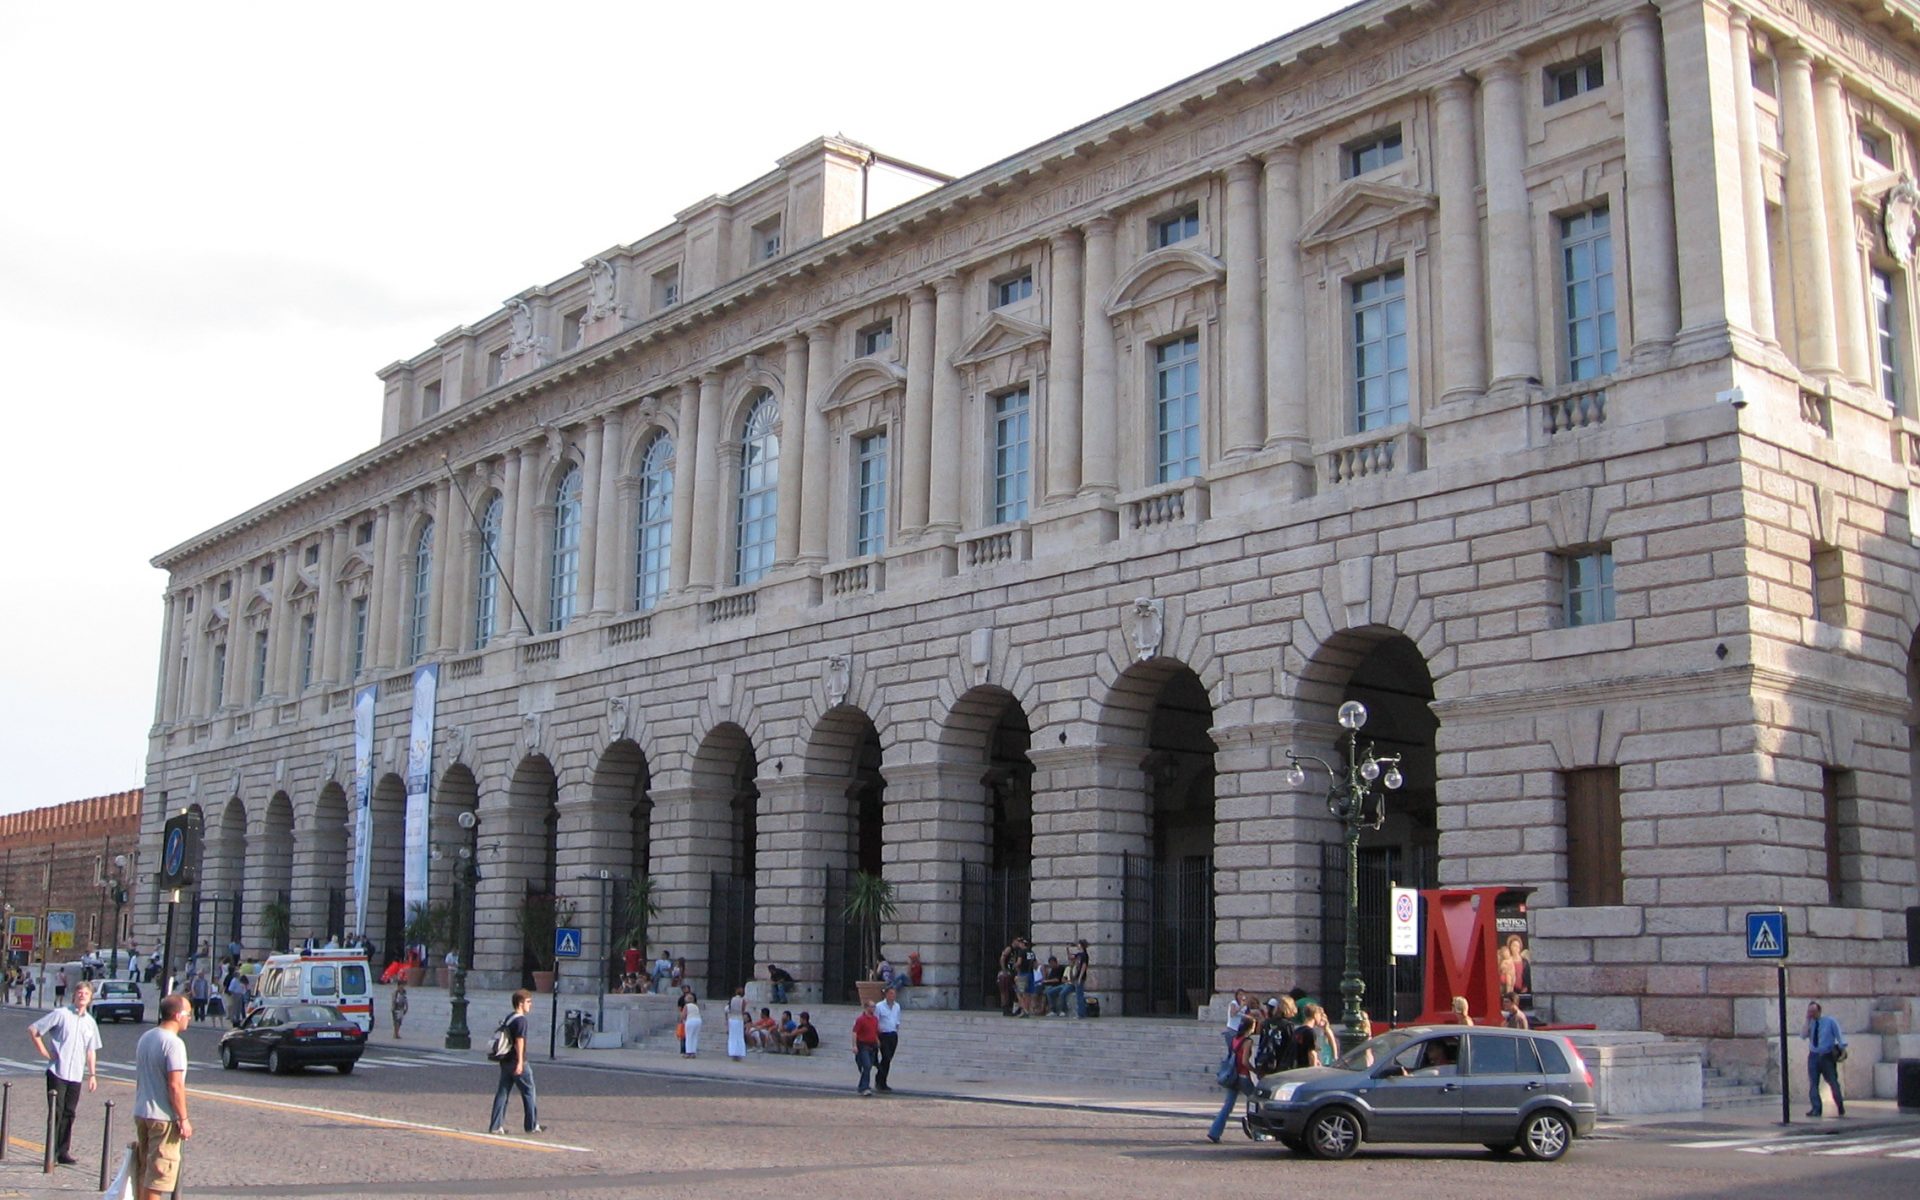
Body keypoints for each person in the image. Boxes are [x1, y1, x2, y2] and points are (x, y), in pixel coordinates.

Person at [29, 979, 102, 1166]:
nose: (82, 996)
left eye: (86, 994)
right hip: (57, 1072)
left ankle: (63, 1151)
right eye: (79, 993)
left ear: (90, 998)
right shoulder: (61, 1014)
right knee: (56, 1112)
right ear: (74, 995)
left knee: (69, 1113)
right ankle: (51, 1152)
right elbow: (34, 1029)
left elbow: (91, 1050)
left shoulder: (90, 1022)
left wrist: (92, 1075)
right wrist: (45, 1052)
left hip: (76, 1074)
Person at [132, 993, 193, 1200]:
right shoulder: (174, 1044)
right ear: (177, 1015)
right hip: (163, 1117)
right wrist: (183, 1119)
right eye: (188, 1014)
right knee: (158, 1177)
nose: (189, 1018)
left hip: (142, 1111)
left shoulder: (146, 1037)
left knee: (144, 1172)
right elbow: (175, 1085)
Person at [487, 989, 543, 1135]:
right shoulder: (521, 1020)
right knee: (529, 1091)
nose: (530, 1005)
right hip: (517, 1061)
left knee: (503, 1093)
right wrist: (520, 1062)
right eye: (528, 1002)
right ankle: (531, 1125)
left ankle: (495, 1126)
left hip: (505, 1060)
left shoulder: (510, 1017)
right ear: (520, 1003)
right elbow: (519, 1042)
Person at [1208, 1014, 1255, 1143]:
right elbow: (1245, 1062)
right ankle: (1257, 1131)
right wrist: (1255, 1070)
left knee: (1227, 1106)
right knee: (1255, 1101)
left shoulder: (1235, 1038)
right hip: (1243, 1075)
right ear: (1250, 1027)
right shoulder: (1248, 1041)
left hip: (1232, 1075)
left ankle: (1214, 1132)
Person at [1803, 1000, 1847, 1117]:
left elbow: (1839, 1036)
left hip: (1826, 1055)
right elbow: (1803, 1035)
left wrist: (1842, 1049)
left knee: (1832, 1082)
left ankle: (1840, 1105)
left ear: (1819, 1011)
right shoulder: (1810, 1023)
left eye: (1813, 1011)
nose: (1812, 1014)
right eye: (1810, 1011)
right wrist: (1807, 1020)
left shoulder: (1830, 1021)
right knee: (1813, 1083)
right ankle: (1816, 1108)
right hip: (1813, 1055)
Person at [874, 983, 903, 1092]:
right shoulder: (879, 1006)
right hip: (883, 1034)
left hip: (893, 1034)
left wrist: (896, 1029)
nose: (893, 996)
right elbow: (875, 1021)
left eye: (894, 994)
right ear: (886, 994)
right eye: (890, 993)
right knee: (885, 1057)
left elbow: (897, 1020)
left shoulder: (897, 1006)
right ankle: (879, 1080)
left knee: (888, 1059)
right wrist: (877, 1035)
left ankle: (883, 1081)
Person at [852, 999, 881, 1096]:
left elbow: (875, 1032)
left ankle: (862, 1085)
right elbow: (855, 1032)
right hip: (863, 1045)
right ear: (866, 1007)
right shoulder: (861, 1019)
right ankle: (865, 1087)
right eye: (871, 1007)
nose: (873, 1009)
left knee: (868, 1067)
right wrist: (854, 1046)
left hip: (872, 1046)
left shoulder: (875, 1019)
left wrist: (877, 1041)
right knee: (867, 1065)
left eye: (874, 1007)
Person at [725, 987, 749, 1061]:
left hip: (732, 1019)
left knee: (732, 1036)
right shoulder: (743, 1001)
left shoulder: (732, 999)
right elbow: (743, 1010)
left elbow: (728, 1009)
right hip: (739, 1019)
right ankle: (739, 1053)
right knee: (739, 1036)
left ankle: (732, 1053)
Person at [681, 992, 702, 1057]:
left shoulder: (686, 1006)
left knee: (689, 1036)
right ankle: (693, 1052)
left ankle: (688, 1052)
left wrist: (682, 1020)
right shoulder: (696, 1006)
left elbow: (683, 1015)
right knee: (695, 1037)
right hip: (698, 1020)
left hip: (690, 1020)